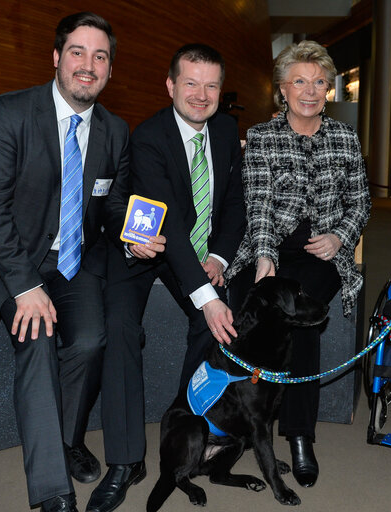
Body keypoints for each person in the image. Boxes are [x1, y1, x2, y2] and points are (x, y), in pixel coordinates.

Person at [0, 13, 164, 512]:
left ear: (110, 70)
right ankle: (53, 490)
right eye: (78, 52)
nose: (87, 66)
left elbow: (112, 203)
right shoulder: (9, 112)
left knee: (94, 340)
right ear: (56, 58)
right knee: (38, 335)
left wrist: (131, 236)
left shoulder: (115, 131)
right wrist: (25, 286)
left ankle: (67, 438)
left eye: (100, 57)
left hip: (76, 264)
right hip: (14, 264)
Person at [87, 43, 245, 512]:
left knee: (213, 323)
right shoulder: (150, 137)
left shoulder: (226, 129)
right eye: (190, 83)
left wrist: (217, 256)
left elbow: (233, 204)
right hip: (142, 247)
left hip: (194, 251)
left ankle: (184, 432)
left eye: (211, 85)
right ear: (171, 84)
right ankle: (125, 460)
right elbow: (170, 223)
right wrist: (205, 294)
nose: (201, 94)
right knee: (118, 328)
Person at [226, 40, 370, 488]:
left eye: (319, 82)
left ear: (329, 89)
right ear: (283, 90)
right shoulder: (262, 136)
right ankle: (247, 422)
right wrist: (266, 254)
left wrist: (339, 237)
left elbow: (360, 201)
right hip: (270, 247)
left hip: (321, 254)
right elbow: (259, 204)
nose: (310, 91)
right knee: (248, 310)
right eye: (300, 81)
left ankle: (300, 435)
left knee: (301, 318)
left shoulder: (345, 137)